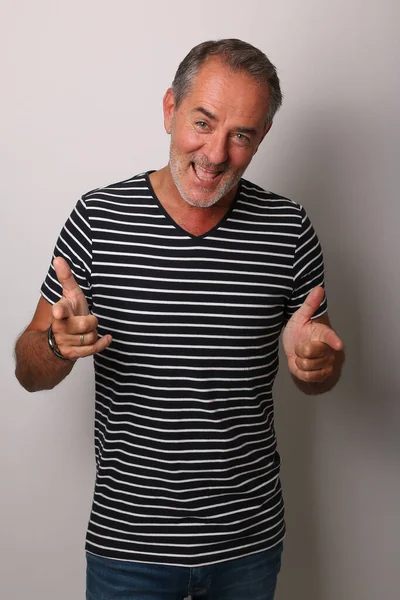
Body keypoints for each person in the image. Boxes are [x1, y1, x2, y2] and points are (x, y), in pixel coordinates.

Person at [15, 39, 344, 600]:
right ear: (170, 109)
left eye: (241, 134)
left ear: (262, 138)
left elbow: (319, 361)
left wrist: (319, 364)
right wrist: (56, 341)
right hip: (128, 549)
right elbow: (29, 370)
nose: (215, 153)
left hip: (248, 544)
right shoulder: (99, 217)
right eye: (203, 122)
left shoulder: (289, 229)